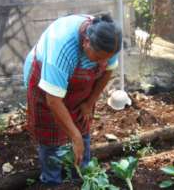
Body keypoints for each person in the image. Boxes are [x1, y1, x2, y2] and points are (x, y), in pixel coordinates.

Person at [23, 13, 121, 186]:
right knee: (50, 134)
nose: (103, 62)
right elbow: (53, 101)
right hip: (44, 80)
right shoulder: (62, 47)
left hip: (78, 85)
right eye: (99, 58)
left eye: (107, 57)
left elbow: (108, 71)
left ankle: (82, 175)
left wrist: (89, 102)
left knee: (82, 124)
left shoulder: (109, 42)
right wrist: (74, 137)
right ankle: (52, 181)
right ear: (86, 42)